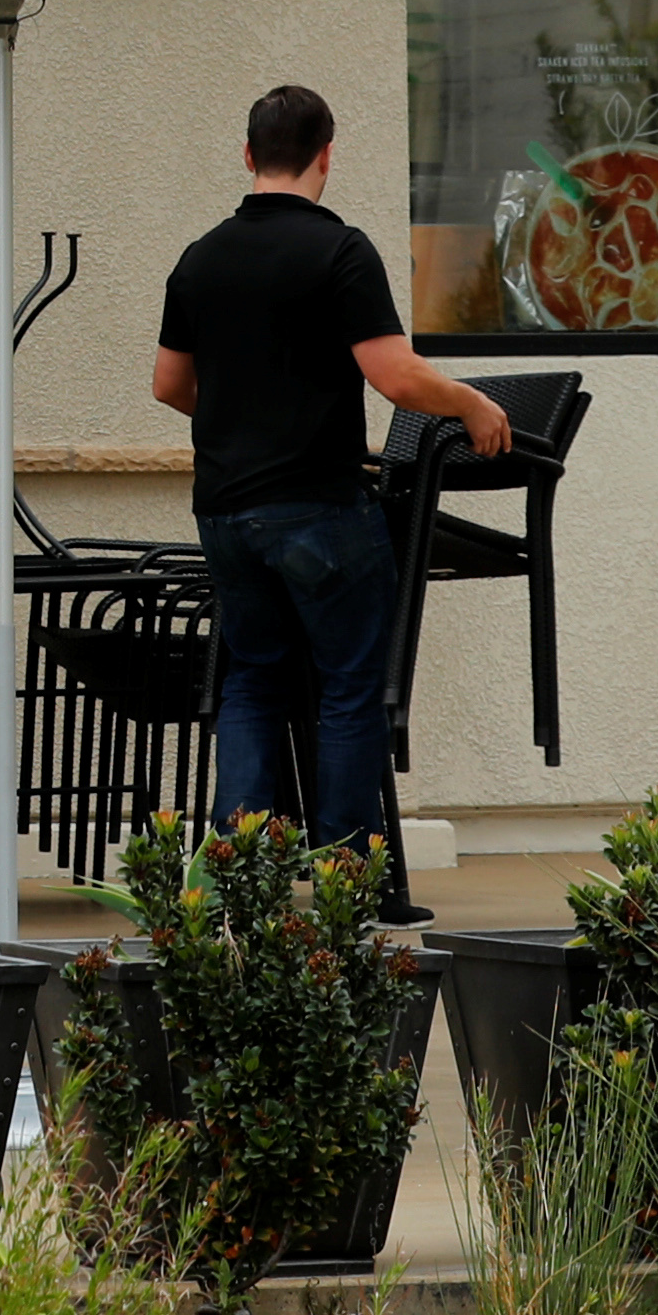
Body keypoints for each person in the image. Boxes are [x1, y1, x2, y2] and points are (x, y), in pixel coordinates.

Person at [147, 82, 509, 918]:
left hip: (225, 514)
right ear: (325, 155)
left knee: (251, 685)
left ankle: (236, 882)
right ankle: (349, 887)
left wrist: (245, 415)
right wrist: (470, 402)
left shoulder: (198, 257)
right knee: (348, 687)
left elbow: (169, 385)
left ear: (246, 155)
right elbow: (393, 377)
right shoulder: (340, 251)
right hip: (317, 507)